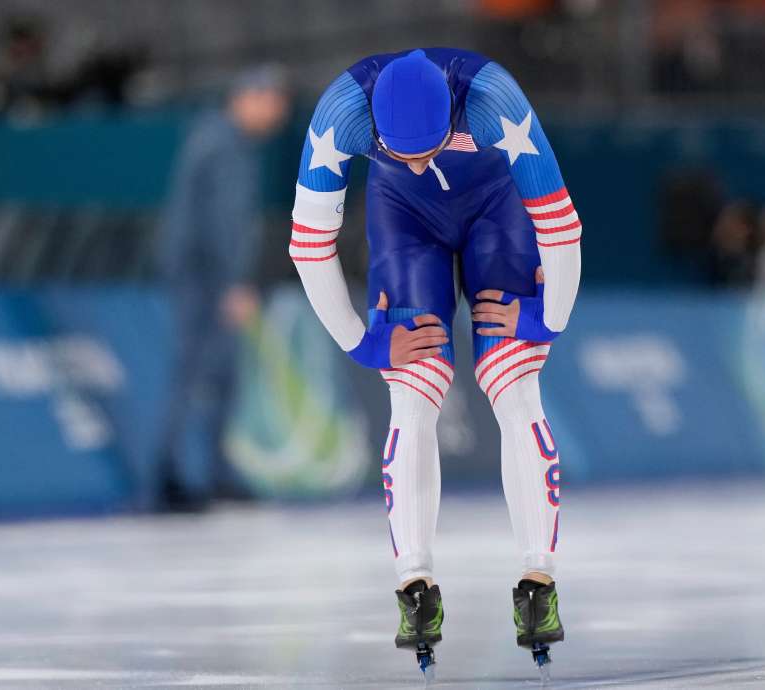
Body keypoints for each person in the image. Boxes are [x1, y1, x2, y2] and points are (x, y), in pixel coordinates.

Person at [288, 49, 580, 671]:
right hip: (404, 222)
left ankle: (538, 580)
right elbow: (308, 245)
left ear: (454, 114)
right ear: (375, 128)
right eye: (405, 154)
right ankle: (414, 583)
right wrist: (362, 343)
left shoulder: (494, 97)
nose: (421, 163)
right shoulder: (341, 112)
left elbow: (561, 226)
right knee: (413, 386)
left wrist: (545, 320)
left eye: (430, 149)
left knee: (514, 378)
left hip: (497, 209)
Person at [155, 66, 290, 510]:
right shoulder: (224, 146)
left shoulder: (220, 141)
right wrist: (233, 283)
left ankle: (213, 473)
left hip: (201, 274)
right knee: (195, 371)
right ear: (248, 97)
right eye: (273, 103)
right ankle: (169, 476)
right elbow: (222, 222)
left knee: (220, 373)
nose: (278, 114)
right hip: (204, 278)